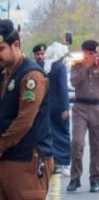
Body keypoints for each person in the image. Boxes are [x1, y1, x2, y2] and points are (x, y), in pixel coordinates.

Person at [0, 19, 54, 200]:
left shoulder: (31, 76)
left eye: (1, 49)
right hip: (6, 162)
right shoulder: (4, 72)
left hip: (28, 163)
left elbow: (24, 121)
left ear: (16, 45)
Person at [68, 39, 99, 193]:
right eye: (88, 53)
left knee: (98, 145)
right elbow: (74, 82)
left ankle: (95, 178)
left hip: (98, 107)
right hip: (80, 107)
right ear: (84, 53)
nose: (91, 56)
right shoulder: (77, 65)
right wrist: (86, 67)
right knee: (77, 143)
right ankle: (75, 178)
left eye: (93, 53)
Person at [42, 43, 71, 175]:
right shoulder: (60, 67)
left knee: (51, 134)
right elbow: (63, 88)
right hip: (59, 105)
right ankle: (63, 162)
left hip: (46, 105)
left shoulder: (44, 66)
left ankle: (52, 161)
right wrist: (65, 107)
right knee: (63, 134)